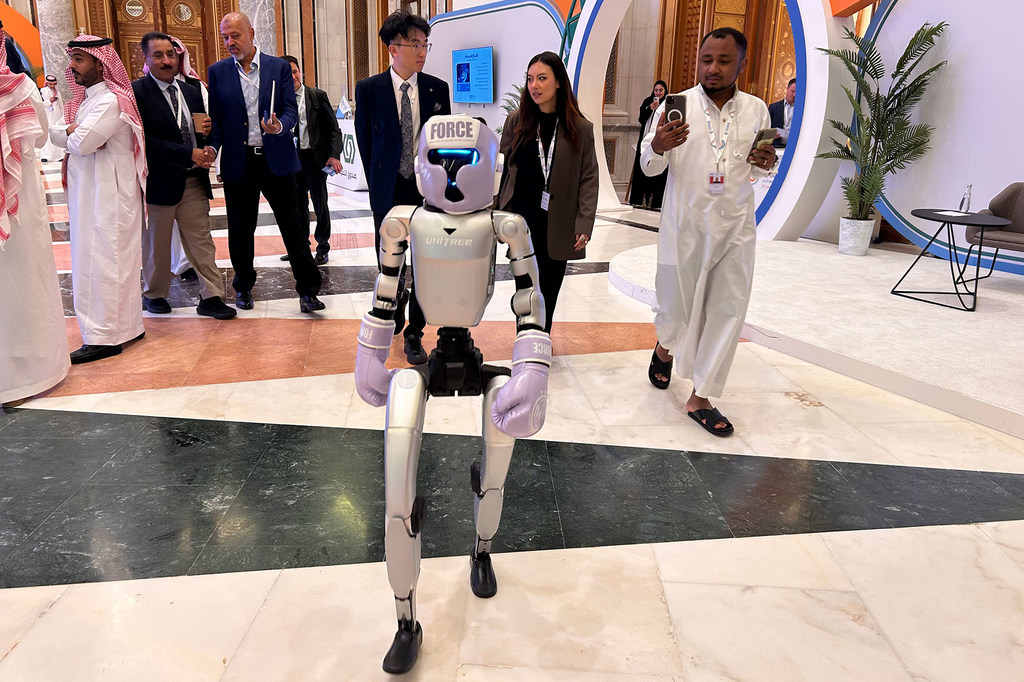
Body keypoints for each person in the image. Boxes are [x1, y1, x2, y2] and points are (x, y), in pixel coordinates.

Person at [355, 114, 550, 675]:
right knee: (398, 483)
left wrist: (532, 365)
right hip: (425, 362)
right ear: (422, 165)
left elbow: (529, 300)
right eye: (442, 161)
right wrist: (369, 351)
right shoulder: (404, 222)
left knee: (499, 454)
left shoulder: (505, 226)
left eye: (466, 160)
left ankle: (482, 547)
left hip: (478, 358)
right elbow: (386, 291)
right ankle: (404, 617)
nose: (453, 173)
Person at [639, 27, 777, 437]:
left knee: (727, 310)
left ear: (741, 64)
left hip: (735, 226)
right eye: (706, 60)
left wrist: (764, 161)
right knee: (675, 309)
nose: (713, 69)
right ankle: (665, 347)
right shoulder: (674, 105)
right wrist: (659, 144)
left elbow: (755, 168)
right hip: (684, 226)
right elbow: (648, 166)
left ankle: (700, 396)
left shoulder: (756, 111)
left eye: (723, 61)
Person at [206, 12, 325, 313]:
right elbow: (218, 121)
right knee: (241, 230)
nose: (230, 42)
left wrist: (280, 126)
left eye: (235, 35)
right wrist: (211, 148)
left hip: (277, 160)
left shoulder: (278, 67)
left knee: (294, 228)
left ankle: (308, 290)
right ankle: (243, 286)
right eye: (225, 38)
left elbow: (288, 109)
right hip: (239, 162)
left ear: (251, 32)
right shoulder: (218, 72)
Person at [355, 9, 451, 365]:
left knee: (425, 263)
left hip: (426, 190)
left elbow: (441, 145)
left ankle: (415, 332)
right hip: (388, 188)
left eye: (425, 44)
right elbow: (366, 145)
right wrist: (379, 185)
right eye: (415, 44)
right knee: (389, 260)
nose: (422, 51)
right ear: (393, 48)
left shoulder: (436, 88)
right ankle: (392, 306)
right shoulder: (368, 90)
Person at [49, 35, 147, 364]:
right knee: (111, 264)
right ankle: (126, 327)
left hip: (106, 199)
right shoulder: (89, 101)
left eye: (79, 59)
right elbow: (66, 134)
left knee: (103, 265)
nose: (71, 66)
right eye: (72, 59)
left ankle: (105, 337)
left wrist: (71, 132)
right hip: (95, 196)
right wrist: (71, 131)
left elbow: (80, 143)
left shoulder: (109, 101)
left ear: (100, 62)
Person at [133, 31, 236, 320]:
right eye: (158, 55)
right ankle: (154, 294)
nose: (167, 61)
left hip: (193, 181)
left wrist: (208, 149)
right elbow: (144, 140)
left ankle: (212, 296)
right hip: (158, 183)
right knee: (156, 244)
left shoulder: (191, 90)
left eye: (171, 54)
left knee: (202, 242)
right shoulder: (137, 93)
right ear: (146, 58)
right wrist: (185, 153)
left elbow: (203, 129)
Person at [496, 51, 598, 334]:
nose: (534, 86)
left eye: (542, 78)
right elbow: (502, 169)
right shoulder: (516, 122)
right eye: (530, 79)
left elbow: (589, 178)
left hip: (560, 221)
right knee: (525, 289)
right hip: (522, 222)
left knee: (549, 289)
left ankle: (541, 338)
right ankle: (524, 337)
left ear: (558, 83)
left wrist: (584, 223)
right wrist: (495, 211)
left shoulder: (580, 128)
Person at [0, 29, 70, 406]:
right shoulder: (22, 89)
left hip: (19, 205)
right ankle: (33, 370)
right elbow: (41, 137)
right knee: (22, 282)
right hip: (20, 205)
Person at [281, 54, 342, 265]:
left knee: (320, 204)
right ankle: (300, 246)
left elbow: (334, 129)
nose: (294, 77)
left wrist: (334, 155)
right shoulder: (279, 101)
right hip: (291, 160)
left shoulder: (316, 96)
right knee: (297, 205)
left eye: (295, 71)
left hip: (315, 159)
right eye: (288, 74)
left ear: (300, 72)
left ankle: (323, 247)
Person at [628, 80, 668, 210]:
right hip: (645, 140)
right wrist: (650, 109)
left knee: (658, 170)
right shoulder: (648, 101)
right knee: (641, 168)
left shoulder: (667, 103)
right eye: (656, 90)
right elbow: (641, 119)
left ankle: (656, 201)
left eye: (660, 90)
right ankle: (638, 199)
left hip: (659, 141)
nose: (658, 92)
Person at [38, 75, 64, 161]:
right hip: (46, 116)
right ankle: (45, 156)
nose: (52, 86)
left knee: (56, 133)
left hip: (56, 116)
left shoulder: (58, 92)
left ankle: (58, 156)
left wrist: (63, 116)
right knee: (47, 134)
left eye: (54, 84)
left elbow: (61, 106)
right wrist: (49, 101)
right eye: (50, 84)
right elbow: (39, 105)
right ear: (47, 83)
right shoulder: (42, 91)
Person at [768, 77, 796, 147]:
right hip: (775, 146)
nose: (794, 95)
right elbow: (767, 127)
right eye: (792, 91)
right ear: (787, 89)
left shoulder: (802, 110)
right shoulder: (773, 107)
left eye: (797, 92)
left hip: (793, 147)